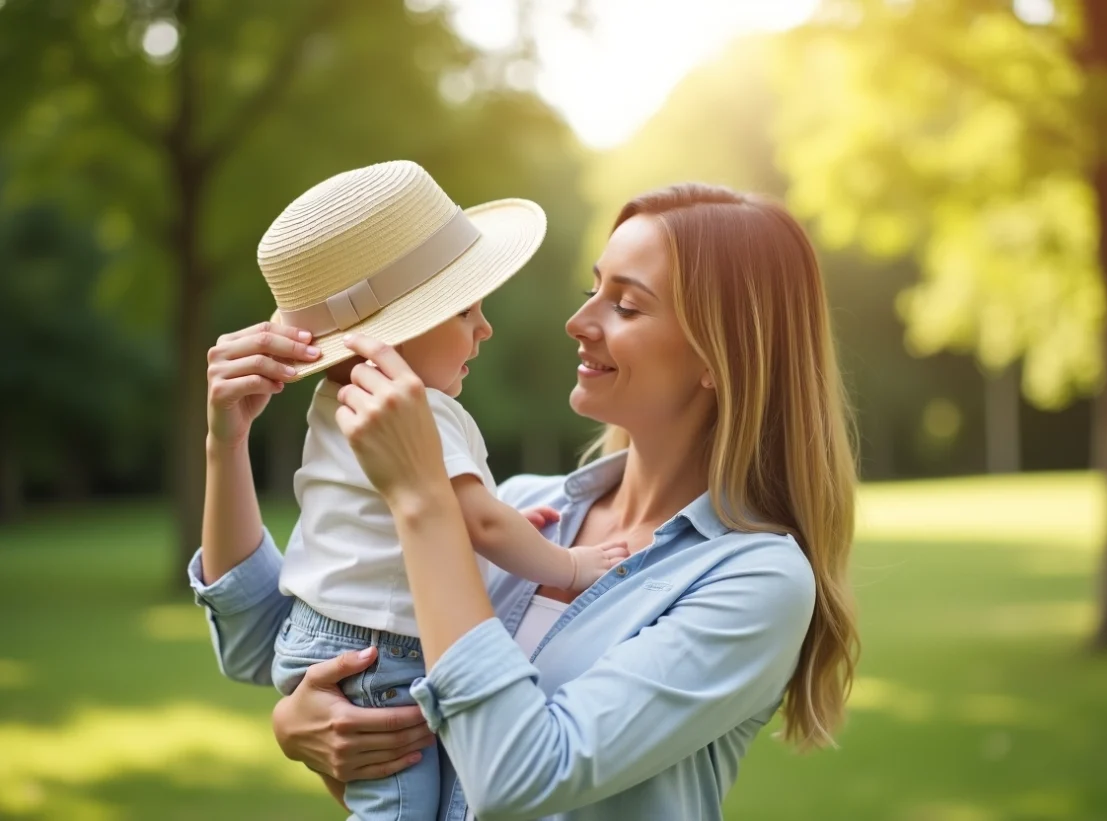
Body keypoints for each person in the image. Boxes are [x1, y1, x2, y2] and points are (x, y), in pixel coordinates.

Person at [192, 182, 860, 820]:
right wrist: (228, 441)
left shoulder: (754, 580)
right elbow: (264, 646)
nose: (577, 320)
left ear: (722, 353)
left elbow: (517, 776)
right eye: (590, 289)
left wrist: (422, 499)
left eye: (625, 305)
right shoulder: (515, 510)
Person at [204, 160, 628, 821]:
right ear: (394, 331)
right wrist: (572, 564)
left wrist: (502, 526)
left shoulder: (332, 402)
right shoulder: (419, 409)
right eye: (464, 309)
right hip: (385, 658)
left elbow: (449, 526)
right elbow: (481, 523)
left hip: (319, 635)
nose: (484, 328)